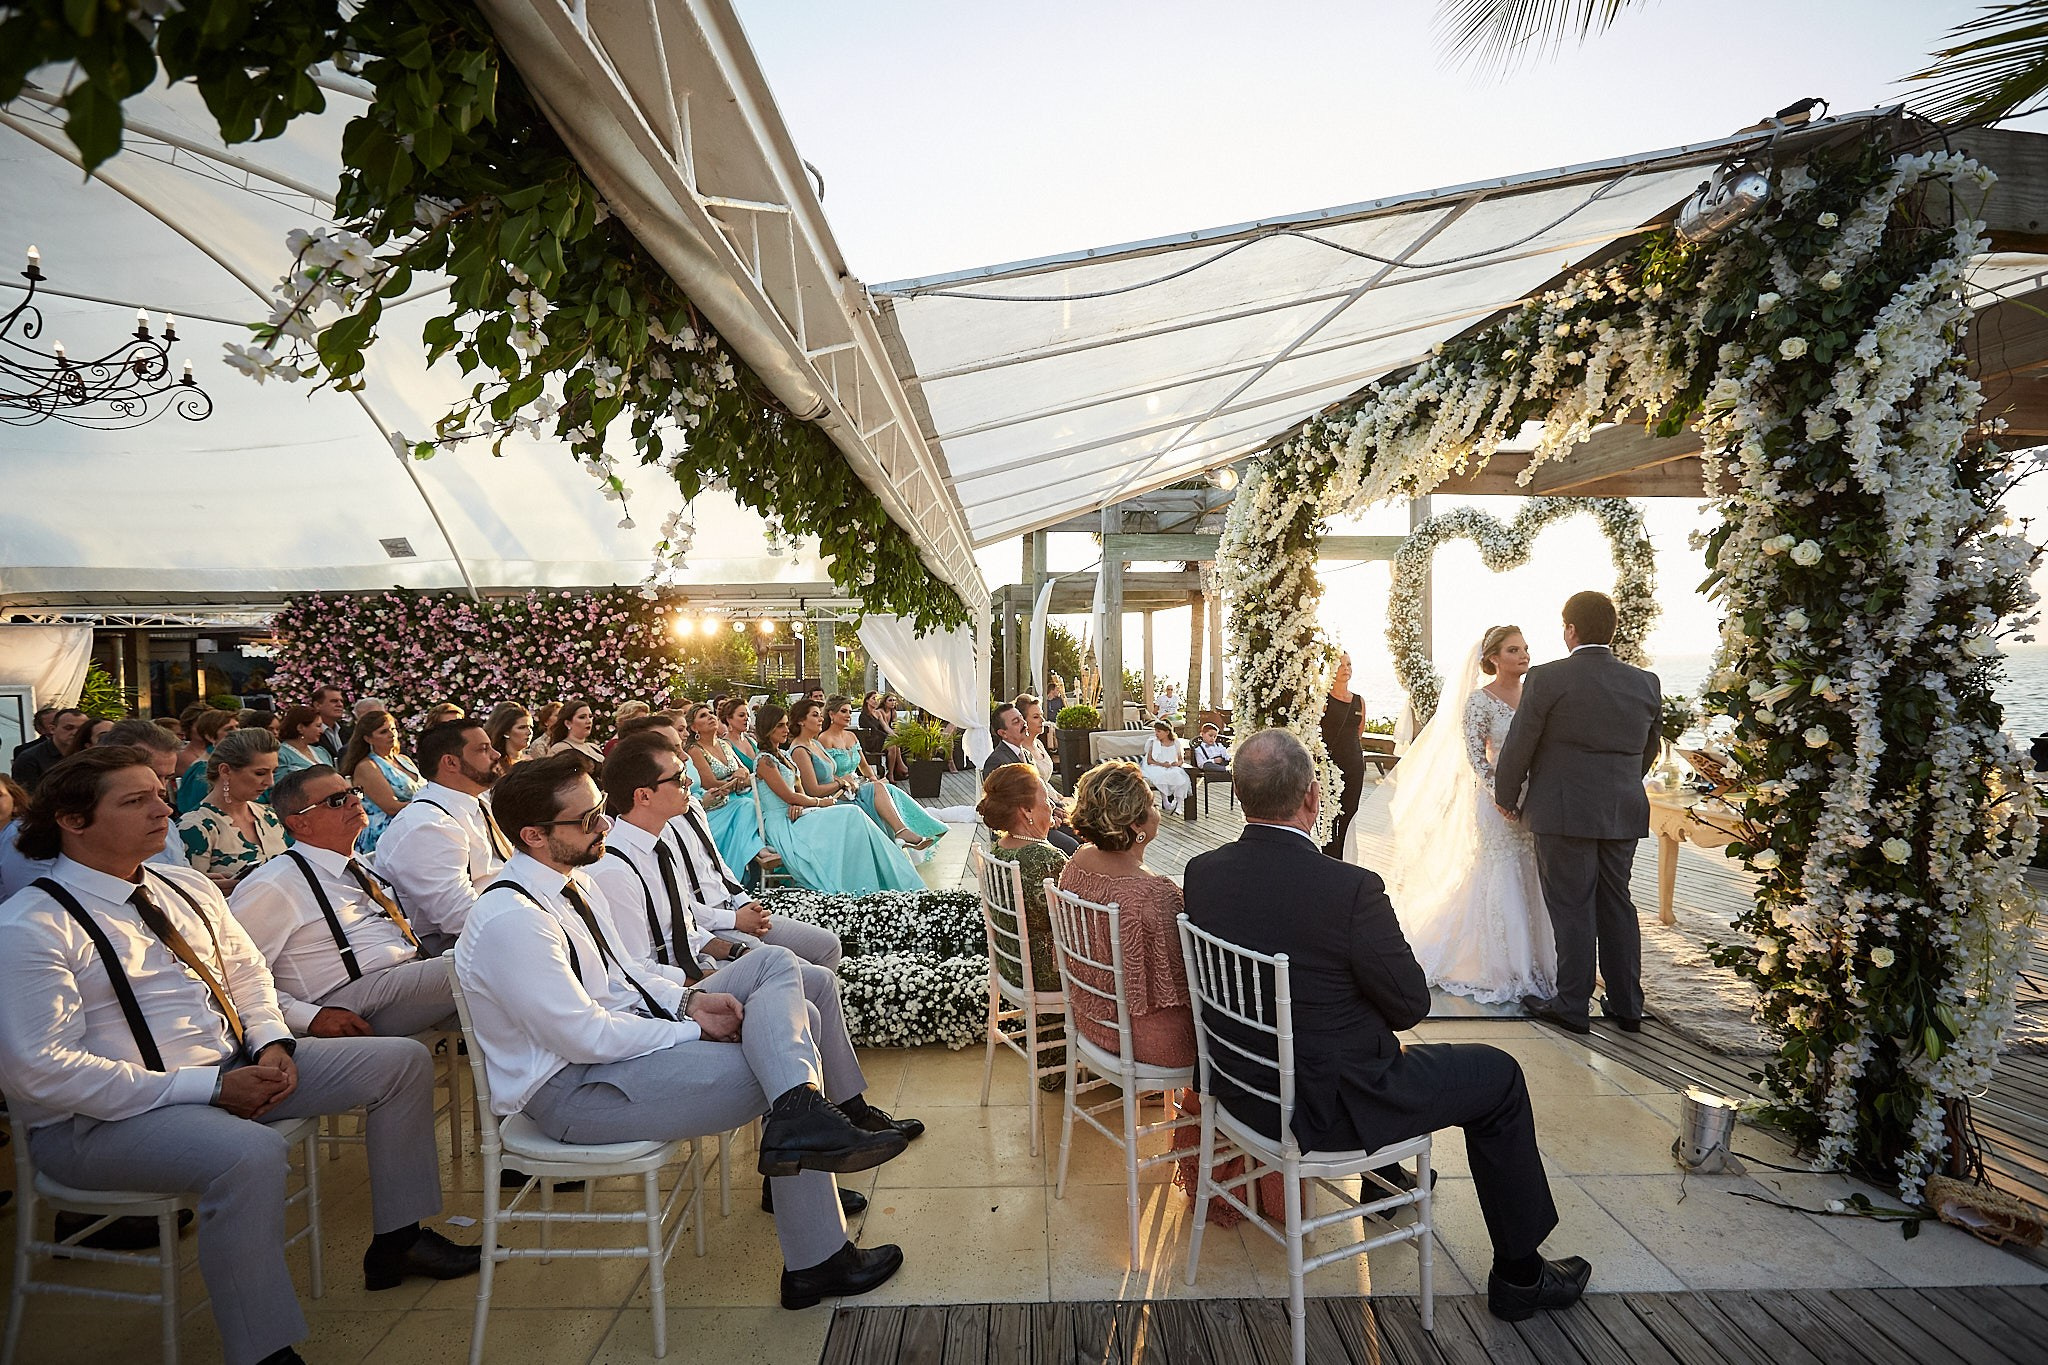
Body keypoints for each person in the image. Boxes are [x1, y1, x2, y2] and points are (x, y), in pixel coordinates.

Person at [0, 747, 479, 1365]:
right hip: (101, 1121)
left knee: (399, 1063)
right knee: (250, 1154)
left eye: (159, 792)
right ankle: (262, 1352)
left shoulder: (185, 883)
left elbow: (247, 975)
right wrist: (209, 1089)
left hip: (230, 1069)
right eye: (135, 800)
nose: (163, 809)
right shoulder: (32, 925)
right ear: (72, 819)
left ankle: (397, 1241)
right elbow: (38, 1070)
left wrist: (273, 1041)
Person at [452, 755, 914, 1309]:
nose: (604, 824)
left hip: (620, 1051)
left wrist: (689, 1000)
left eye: (600, 810)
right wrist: (688, 1031)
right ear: (534, 836)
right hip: (574, 1091)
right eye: (588, 819)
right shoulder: (513, 920)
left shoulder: (570, 884)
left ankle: (804, 1141)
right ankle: (817, 1248)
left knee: (777, 970)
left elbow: (628, 976)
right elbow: (583, 1038)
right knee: (791, 1049)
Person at [1183, 729, 1587, 1322]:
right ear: (1313, 799)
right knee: (1498, 1076)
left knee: (1349, 1016)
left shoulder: (1203, 871)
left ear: (1241, 795)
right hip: (1327, 1105)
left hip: (1241, 1088)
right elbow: (1408, 1007)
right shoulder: (1350, 888)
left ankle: (1385, 1179)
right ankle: (1521, 1276)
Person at [1492, 592, 1662, 1035]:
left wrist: (1506, 795)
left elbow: (1520, 743)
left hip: (1563, 809)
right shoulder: (1645, 682)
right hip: (1621, 809)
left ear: (1570, 629)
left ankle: (1571, 1005)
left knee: (1572, 907)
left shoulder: (1548, 678)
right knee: (1617, 904)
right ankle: (1627, 1006)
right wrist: (1621, 782)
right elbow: (1650, 749)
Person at [1379, 626, 1558, 1006]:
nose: (1524, 655)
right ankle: (1505, 965)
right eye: (1513, 650)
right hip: (1495, 802)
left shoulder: (1535, 695)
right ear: (1494, 658)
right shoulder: (1479, 701)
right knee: (1501, 870)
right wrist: (1502, 796)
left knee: (1532, 871)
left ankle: (1542, 960)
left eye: (1525, 648)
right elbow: (1476, 756)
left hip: (1535, 799)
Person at [231, 764, 453, 1038]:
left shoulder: (355, 862)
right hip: (348, 1002)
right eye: (336, 801)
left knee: (492, 980)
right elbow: (233, 974)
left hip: (404, 974)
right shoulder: (275, 884)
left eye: (354, 792)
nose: (354, 802)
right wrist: (309, 1017)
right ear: (299, 823)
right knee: (472, 963)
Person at [1058, 763, 1193, 1067]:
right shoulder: (1155, 894)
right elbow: (1186, 980)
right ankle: (1197, 1106)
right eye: (1153, 805)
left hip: (1091, 1020)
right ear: (1136, 825)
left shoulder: (1078, 862)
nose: (1157, 812)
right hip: (1141, 1039)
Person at [1, 721, 187, 901]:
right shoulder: (28, 834)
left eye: (167, 777)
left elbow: (180, 878)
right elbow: (41, 902)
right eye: (135, 799)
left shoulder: (164, 824)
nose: (165, 808)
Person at [751, 707, 924, 894]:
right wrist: (819, 802)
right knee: (851, 813)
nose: (786, 729)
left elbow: (797, 790)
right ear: (768, 728)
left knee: (855, 815)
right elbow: (788, 795)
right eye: (780, 726)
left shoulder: (783, 756)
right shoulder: (764, 761)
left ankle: (887, 876)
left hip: (798, 812)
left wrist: (800, 803)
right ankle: (864, 885)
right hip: (781, 823)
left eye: (786, 724)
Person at [373, 719, 510, 954]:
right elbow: (460, 916)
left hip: (503, 915)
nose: (497, 754)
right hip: (457, 946)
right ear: (450, 762)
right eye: (483, 749)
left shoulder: (477, 802)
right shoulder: (425, 825)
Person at [978, 763, 1070, 1089]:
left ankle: (1057, 1057)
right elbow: (1075, 929)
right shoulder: (1046, 859)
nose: (1053, 808)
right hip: (1045, 972)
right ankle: (1112, 1060)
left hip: (1012, 966)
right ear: (1027, 811)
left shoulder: (996, 850)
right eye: (1046, 801)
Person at [789, 698, 942, 851]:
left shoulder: (815, 743)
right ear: (802, 721)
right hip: (834, 796)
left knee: (885, 788)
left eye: (850, 711)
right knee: (879, 790)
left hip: (850, 787)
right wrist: (843, 782)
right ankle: (903, 834)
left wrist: (870, 779)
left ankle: (920, 830)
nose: (821, 718)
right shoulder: (813, 744)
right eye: (816, 715)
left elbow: (858, 766)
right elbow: (812, 788)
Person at [178, 727, 288, 891]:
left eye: (274, 772)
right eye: (260, 773)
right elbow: (188, 897)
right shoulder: (195, 828)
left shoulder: (269, 816)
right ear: (225, 771)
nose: (270, 782)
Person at [339, 709, 424, 856]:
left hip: (416, 822)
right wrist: (431, 803)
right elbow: (391, 808)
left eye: (393, 729)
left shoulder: (404, 760)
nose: (391, 734)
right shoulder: (367, 767)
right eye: (383, 732)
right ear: (368, 739)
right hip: (386, 833)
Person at [1321, 651, 1368, 857]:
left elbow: (1359, 731)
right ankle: (1330, 857)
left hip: (1354, 766)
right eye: (1341, 665)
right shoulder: (1322, 700)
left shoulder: (1359, 701)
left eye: (1349, 664)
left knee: (1350, 813)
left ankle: (1348, 856)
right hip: (1330, 766)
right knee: (1330, 815)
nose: (1346, 669)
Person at [173, 708, 239, 815]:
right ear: (211, 737)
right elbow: (197, 810)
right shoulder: (203, 769)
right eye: (229, 729)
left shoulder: (228, 760)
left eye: (237, 726)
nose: (237, 732)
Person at [12, 705, 89, 792]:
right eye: (68, 728)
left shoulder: (91, 755)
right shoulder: (30, 758)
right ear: (52, 729)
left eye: (81, 729)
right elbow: (26, 797)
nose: (75, 733)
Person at [1139, 720, 1192, 816]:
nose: (1156, 733)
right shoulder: (1153, 742)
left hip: (1171, 766)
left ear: (1167, 732)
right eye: (1156, 731)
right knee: (1161, 774)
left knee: (1180, 776)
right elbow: (1149, 761)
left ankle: (1179, 805)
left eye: (1159, 731)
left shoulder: (1175, 743)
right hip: (1155, 766)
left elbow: (1181, 760)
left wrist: (1177, 763)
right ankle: (1165, 801)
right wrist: (1162, 764)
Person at [546, 698, 605, 766]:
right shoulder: (560, 748)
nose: (589, 721)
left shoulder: (594, 747)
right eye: (582, 717)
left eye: (590, 716)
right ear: (568, 723)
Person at [275, 704, 327, 779]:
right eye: (318, 726)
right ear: (300, 728)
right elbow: (279, 786)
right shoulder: (281, 755)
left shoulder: (321, 751)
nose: (321, 731)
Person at [484, 703, 534, 775]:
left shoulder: (530, 760)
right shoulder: (494, 765)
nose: (529, 732)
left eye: (530, 727)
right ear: (506, 732)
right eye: (522, 727)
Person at [309, 683, 349, 764]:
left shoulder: (349, 732)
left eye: (341, 701)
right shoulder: (309, 733)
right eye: (334, 701)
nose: (340, 705)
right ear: (317, 705)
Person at [722, 698, 762, 773]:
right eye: (741, 715)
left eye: (748, 715)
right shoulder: (725, 745)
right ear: (729, 719)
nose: (746, 718)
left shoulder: (752, 740)